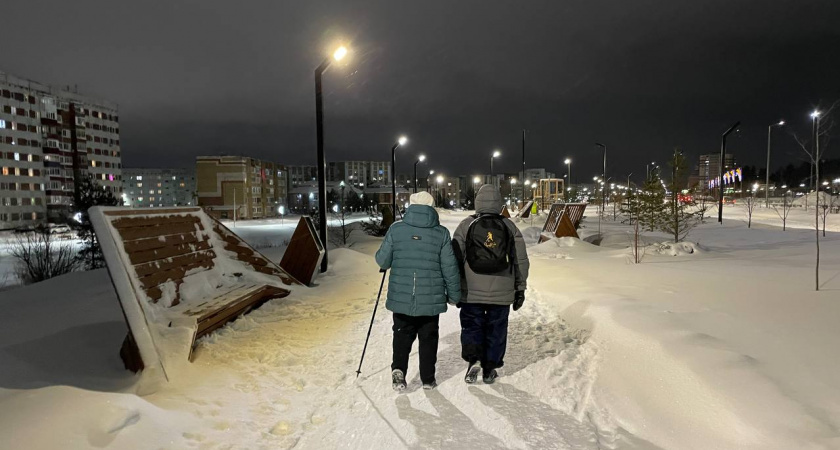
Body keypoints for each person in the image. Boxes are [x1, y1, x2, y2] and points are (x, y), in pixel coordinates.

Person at [375, 191, 461, 391]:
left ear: (411, 207)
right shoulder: (441, 233)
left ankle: (399, 370)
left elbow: (382, 260)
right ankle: (428, 378)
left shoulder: (396, 230)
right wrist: (454, 295)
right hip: (430, 299)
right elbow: (450, 267)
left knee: (401, 334)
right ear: (431, 208)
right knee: (428, 337)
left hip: (401, 297)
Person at [452, 184, 529, 384]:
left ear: (478, 201)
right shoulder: (509, 226)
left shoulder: (466, 225)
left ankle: (474, 359)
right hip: (502, 291)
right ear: (498, 202)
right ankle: (490, 369)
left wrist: (455, 288)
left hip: (472, 291)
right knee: (497, 330)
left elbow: (455, 258)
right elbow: (521, 261)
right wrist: (520, 288)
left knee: (472, 326)